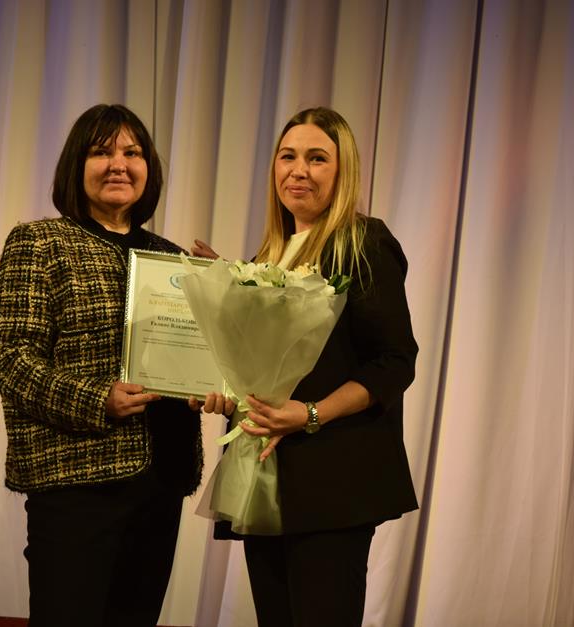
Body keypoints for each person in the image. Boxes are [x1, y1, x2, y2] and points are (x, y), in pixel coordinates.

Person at [192, 107, 419, 627]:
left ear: (342, 171)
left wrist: (311, 414)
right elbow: (262, 370)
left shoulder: (364, 242)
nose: (299, 170)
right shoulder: (269, 255)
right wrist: (224, 388)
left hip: (333, 482)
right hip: (267, 478)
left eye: (317, 158)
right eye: (287, 156)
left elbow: (395, 361)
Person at [0, 104, 203, 627]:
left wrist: (218, 328)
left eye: (132, 152)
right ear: (76, 166)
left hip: (162, 477)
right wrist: (96, 398)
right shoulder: (40, 243)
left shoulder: (173, 258)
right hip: (77, 483)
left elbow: (194, 359)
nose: (118, 164)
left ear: (148, 168)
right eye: (101, 152)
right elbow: (8, 357)